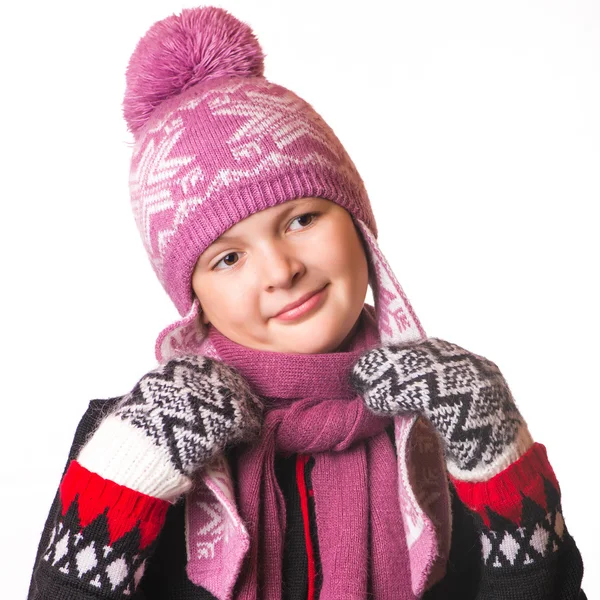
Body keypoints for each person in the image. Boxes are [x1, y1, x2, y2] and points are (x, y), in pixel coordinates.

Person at [27, 6, 586, 600]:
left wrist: (503, 464)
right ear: (193, 297)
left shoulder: (446, 421)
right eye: (228, 258)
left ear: (358, 225)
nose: (282, 271)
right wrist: (127, 473)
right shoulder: (134, 437)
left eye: (301, 219)